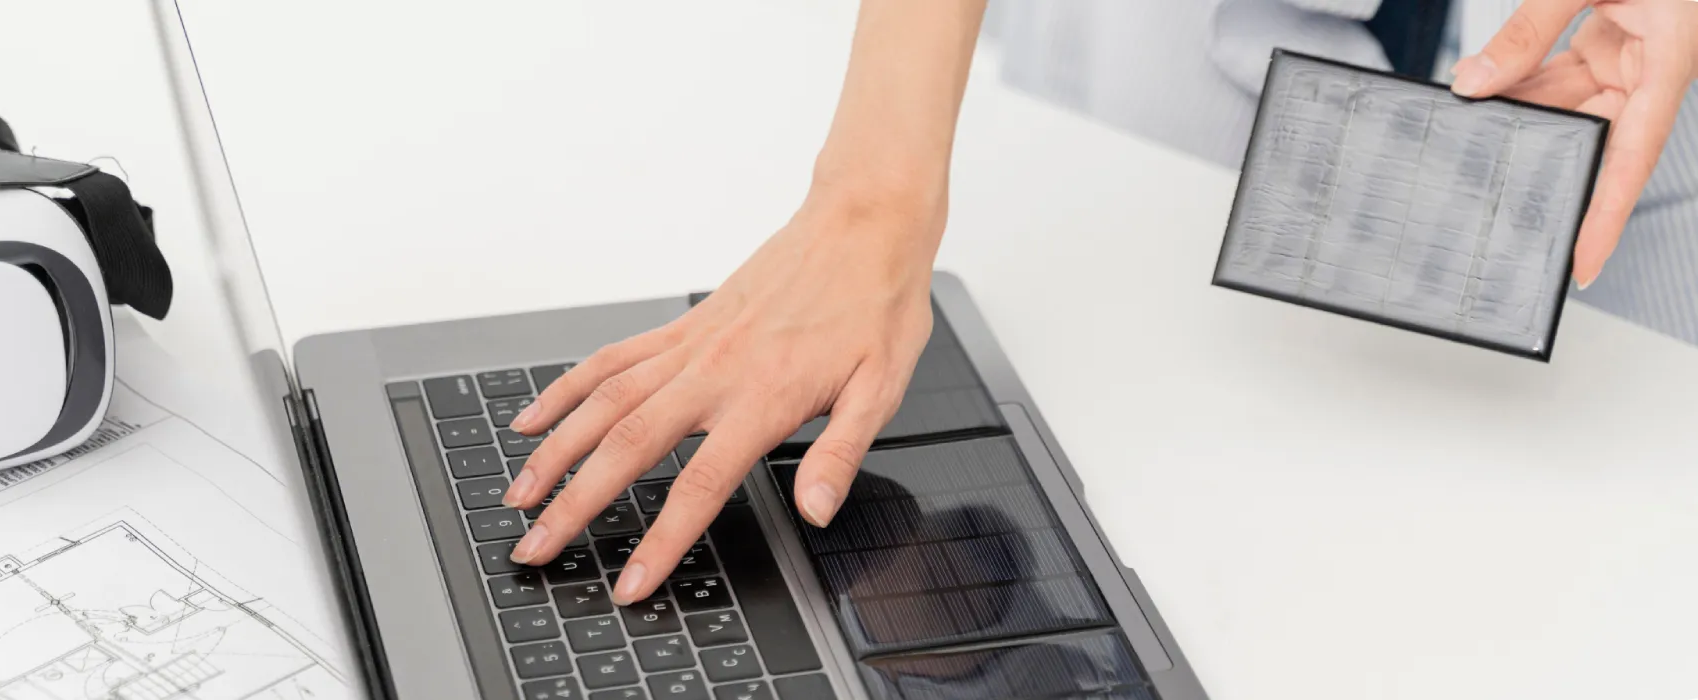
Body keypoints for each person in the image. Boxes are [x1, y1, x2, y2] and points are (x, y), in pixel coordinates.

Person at [500, 0, 1698, 606]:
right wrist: (872, 195)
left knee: (1580, 559)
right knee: (1146, 506)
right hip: (1180, 78)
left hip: (1628, 93)